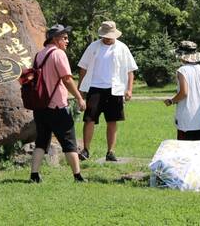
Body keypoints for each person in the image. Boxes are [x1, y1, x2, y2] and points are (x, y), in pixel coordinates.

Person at [30, 23, 87, 183]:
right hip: (57, 106)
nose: (67, 41)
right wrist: (79, 97)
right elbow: (67, 79)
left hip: (41, 106)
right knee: (69, 141)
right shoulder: (59, 54)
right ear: (55, 39)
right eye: (64, 38)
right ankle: (78, 176)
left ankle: (34, 175)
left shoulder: (39, 55)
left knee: (41, 141)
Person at [77, 21, 138, 162]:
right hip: (94, 87)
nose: (108, 38)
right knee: (89, 120)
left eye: (110, 36)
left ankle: (110, 152)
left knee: (112, 121)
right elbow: (83, 68)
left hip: (115, 89)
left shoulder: (122, 48)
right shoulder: (93, 47)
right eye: (105, 36)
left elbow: (130, 70)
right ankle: (86, 150)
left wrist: (129, 89)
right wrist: (81, 89)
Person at [164, 41, 200, 141]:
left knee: (184, 148)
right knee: (199, 148)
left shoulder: (182, 70)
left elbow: (184, 92)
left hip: (187, 116)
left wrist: (171, 101)